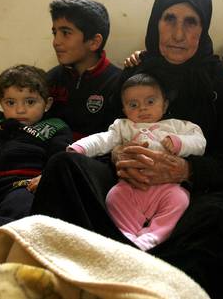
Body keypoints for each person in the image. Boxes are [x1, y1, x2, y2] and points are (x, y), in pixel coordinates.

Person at [31, 0, 223, 299]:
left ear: (202, 28)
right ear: (156, 23)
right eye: (170, 19)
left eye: (190, 22)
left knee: (218, 218)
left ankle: (150, 283)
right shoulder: (138, 70)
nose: (178, 34)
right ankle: (90, 269)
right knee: (64, 166)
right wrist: (117, 156)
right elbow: (108, 131)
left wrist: (185, 171)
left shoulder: (219, 79)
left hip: (189, 194)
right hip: (127, 187)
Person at [0, 64, 72, 293]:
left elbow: (59, 161)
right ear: (1, 103)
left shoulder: (54, 127)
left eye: (30, 102)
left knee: (20, 208)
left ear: (47, 103)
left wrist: (46, 177)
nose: (20, 110)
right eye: (11, 102)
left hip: (18, 187)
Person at [67, 73, 206, 250]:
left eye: (150, 102)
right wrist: (79, 148)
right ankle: (126, 236)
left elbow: (199, 142)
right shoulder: (123, 127)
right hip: (130, 185)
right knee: (114, 197)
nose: (142, 109)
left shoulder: (176, 126)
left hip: (167, 186)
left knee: (180, 200)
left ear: (164, 105)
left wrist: (179, 143)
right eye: (133, 105)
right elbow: (103, 139)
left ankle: (153, 237)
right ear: (125, 110)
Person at [46, 0, 122, 141]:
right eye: (55, 33)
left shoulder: (118, 83)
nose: (56, 42)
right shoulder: (50, 80)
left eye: (66, 33)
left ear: (94, 42)